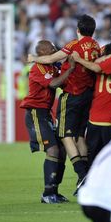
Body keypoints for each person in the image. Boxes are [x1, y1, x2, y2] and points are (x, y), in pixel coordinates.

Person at [28, 14, 100, 194]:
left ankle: (82, 174)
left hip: (73, 94)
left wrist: (33, 58)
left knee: (65, 136)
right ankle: (86, 176)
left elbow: (51, 59)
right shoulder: (96, 46)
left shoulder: (74, 45)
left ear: (78, 30)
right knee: (80, 136)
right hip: (89, 95)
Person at [20, 40, 75, 204]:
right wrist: (70, 68)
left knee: (62, 150)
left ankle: (54, 192)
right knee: (52, 150)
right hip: (35, 113)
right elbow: (54, 84)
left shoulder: (52, 66)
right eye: (51, 47)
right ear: (43, 52)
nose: (55, 49)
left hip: (46, 114)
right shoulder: (37, 68)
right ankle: (47, 193)